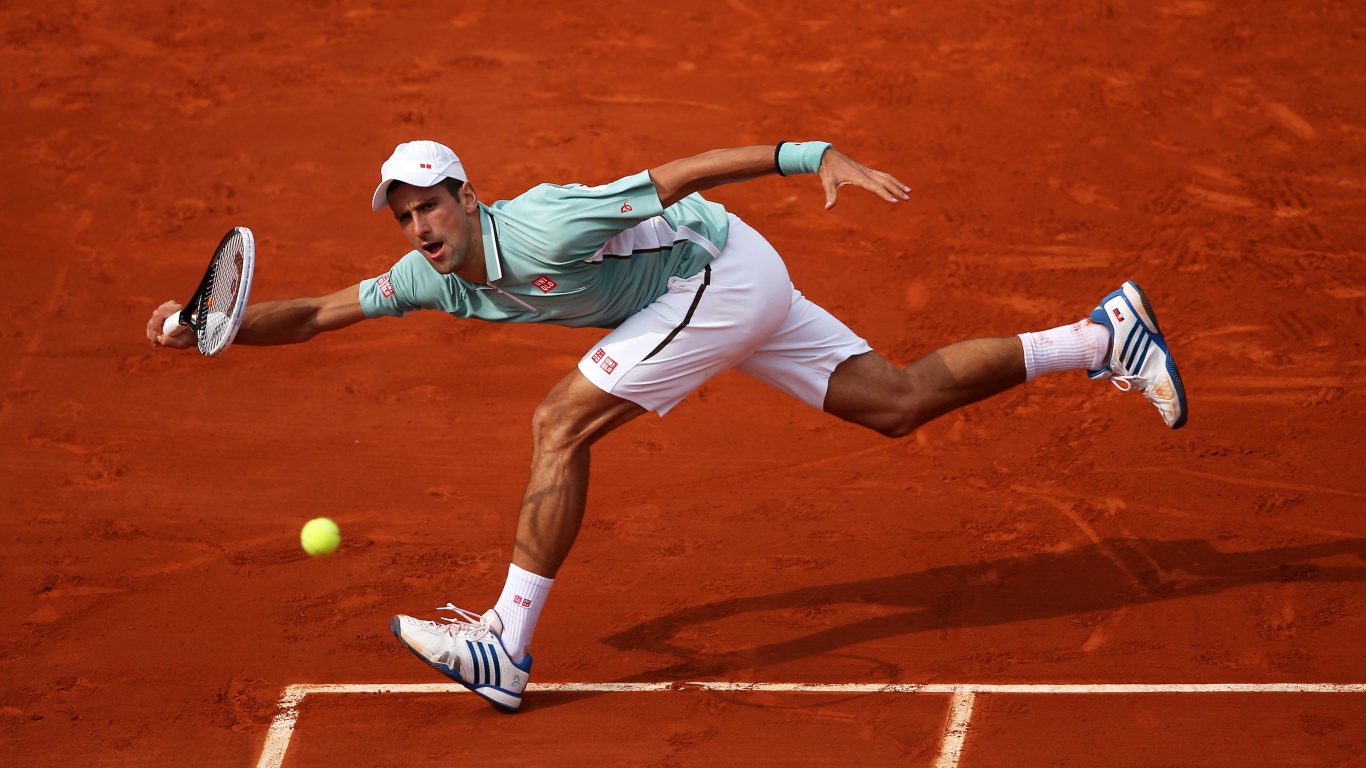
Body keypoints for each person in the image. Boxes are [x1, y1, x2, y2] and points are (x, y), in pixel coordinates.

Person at [146, 139, 1187, 711]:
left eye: (432, 205)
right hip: (741, 277)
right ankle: (1101, 339)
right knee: (897, 402)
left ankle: (504, 645)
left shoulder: (544, 219)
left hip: (718, 270)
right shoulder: (433, 278)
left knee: (561, 422)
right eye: (405, 214)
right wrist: (213, 328)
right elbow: (321, 312)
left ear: (469, 196)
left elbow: (674, 176)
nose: (421, 226)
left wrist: (809, 155)